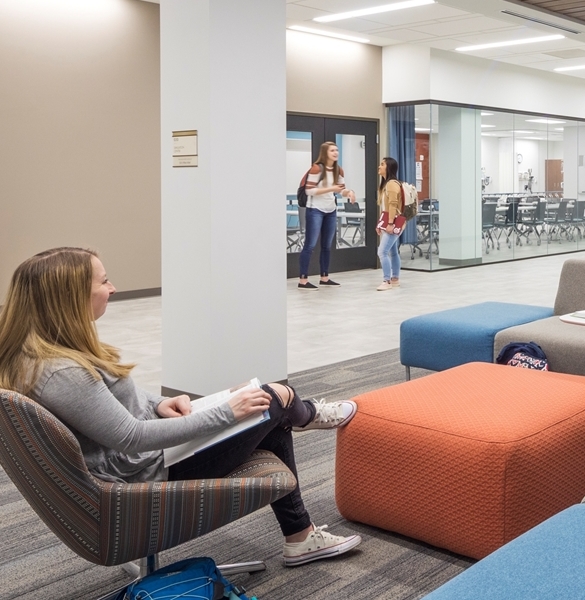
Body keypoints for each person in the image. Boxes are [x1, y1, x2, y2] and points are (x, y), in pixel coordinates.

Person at [0, 248, 362, 567]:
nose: (112, 289)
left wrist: (160, 402)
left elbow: (114, 406)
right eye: (104, 281)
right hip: (144, 477)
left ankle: (301, 532)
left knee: (266, 407)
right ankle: (309, 417)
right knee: (272, 400)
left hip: (144, 462)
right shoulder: (61, 373)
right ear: (70, 297)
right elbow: (132, 436)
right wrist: (226, 412)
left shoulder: (42, 355)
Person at [298, 142, 356, 290]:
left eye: (337, 150)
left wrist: (348, 193)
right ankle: (303, 280)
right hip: (315, 209)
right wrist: (331, 188)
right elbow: (309, 191)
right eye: (332, 150)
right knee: (310, 245)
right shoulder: (317, 168)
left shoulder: (339, 170)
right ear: (325, 152)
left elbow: (340, 190)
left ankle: (325, 277)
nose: (336, 152)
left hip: (331, 210)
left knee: (327, 246)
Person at [376, 157, 405, 291]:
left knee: (382, 251)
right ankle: (395, 279)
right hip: (389, 221)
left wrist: (390, 224)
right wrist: (380, 224)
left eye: (382, 164)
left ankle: (386, 280)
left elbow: (393, 205)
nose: (379, 166)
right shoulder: (385, 185)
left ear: (389, 168)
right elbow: (385, 208)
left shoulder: (392, 184)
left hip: (394, 223)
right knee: (392, 251)